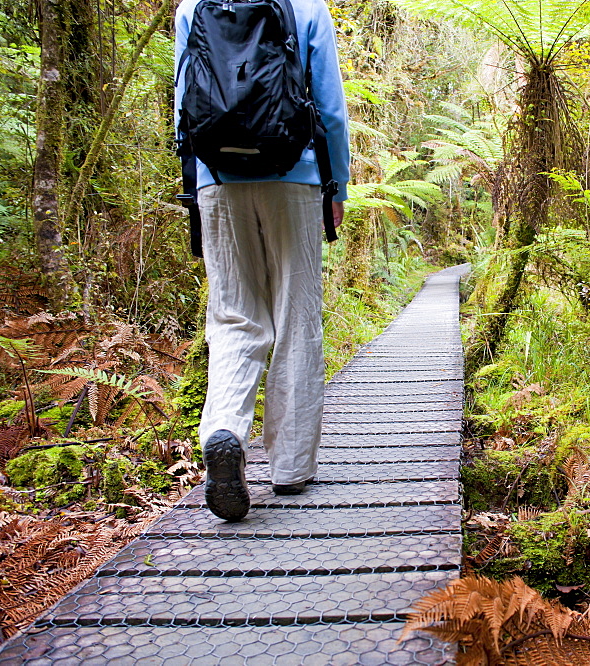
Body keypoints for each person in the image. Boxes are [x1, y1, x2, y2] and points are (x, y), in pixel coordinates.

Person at [174, 0, 351, 521]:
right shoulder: (307, 7)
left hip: (217, 179)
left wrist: (197, 183)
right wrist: (335, 183)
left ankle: (225, 429)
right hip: (293, 175)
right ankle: (291, 469)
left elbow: (186, 100)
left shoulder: (191, 7)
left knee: (233, 317)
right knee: (297, 318)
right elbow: (331, 108)